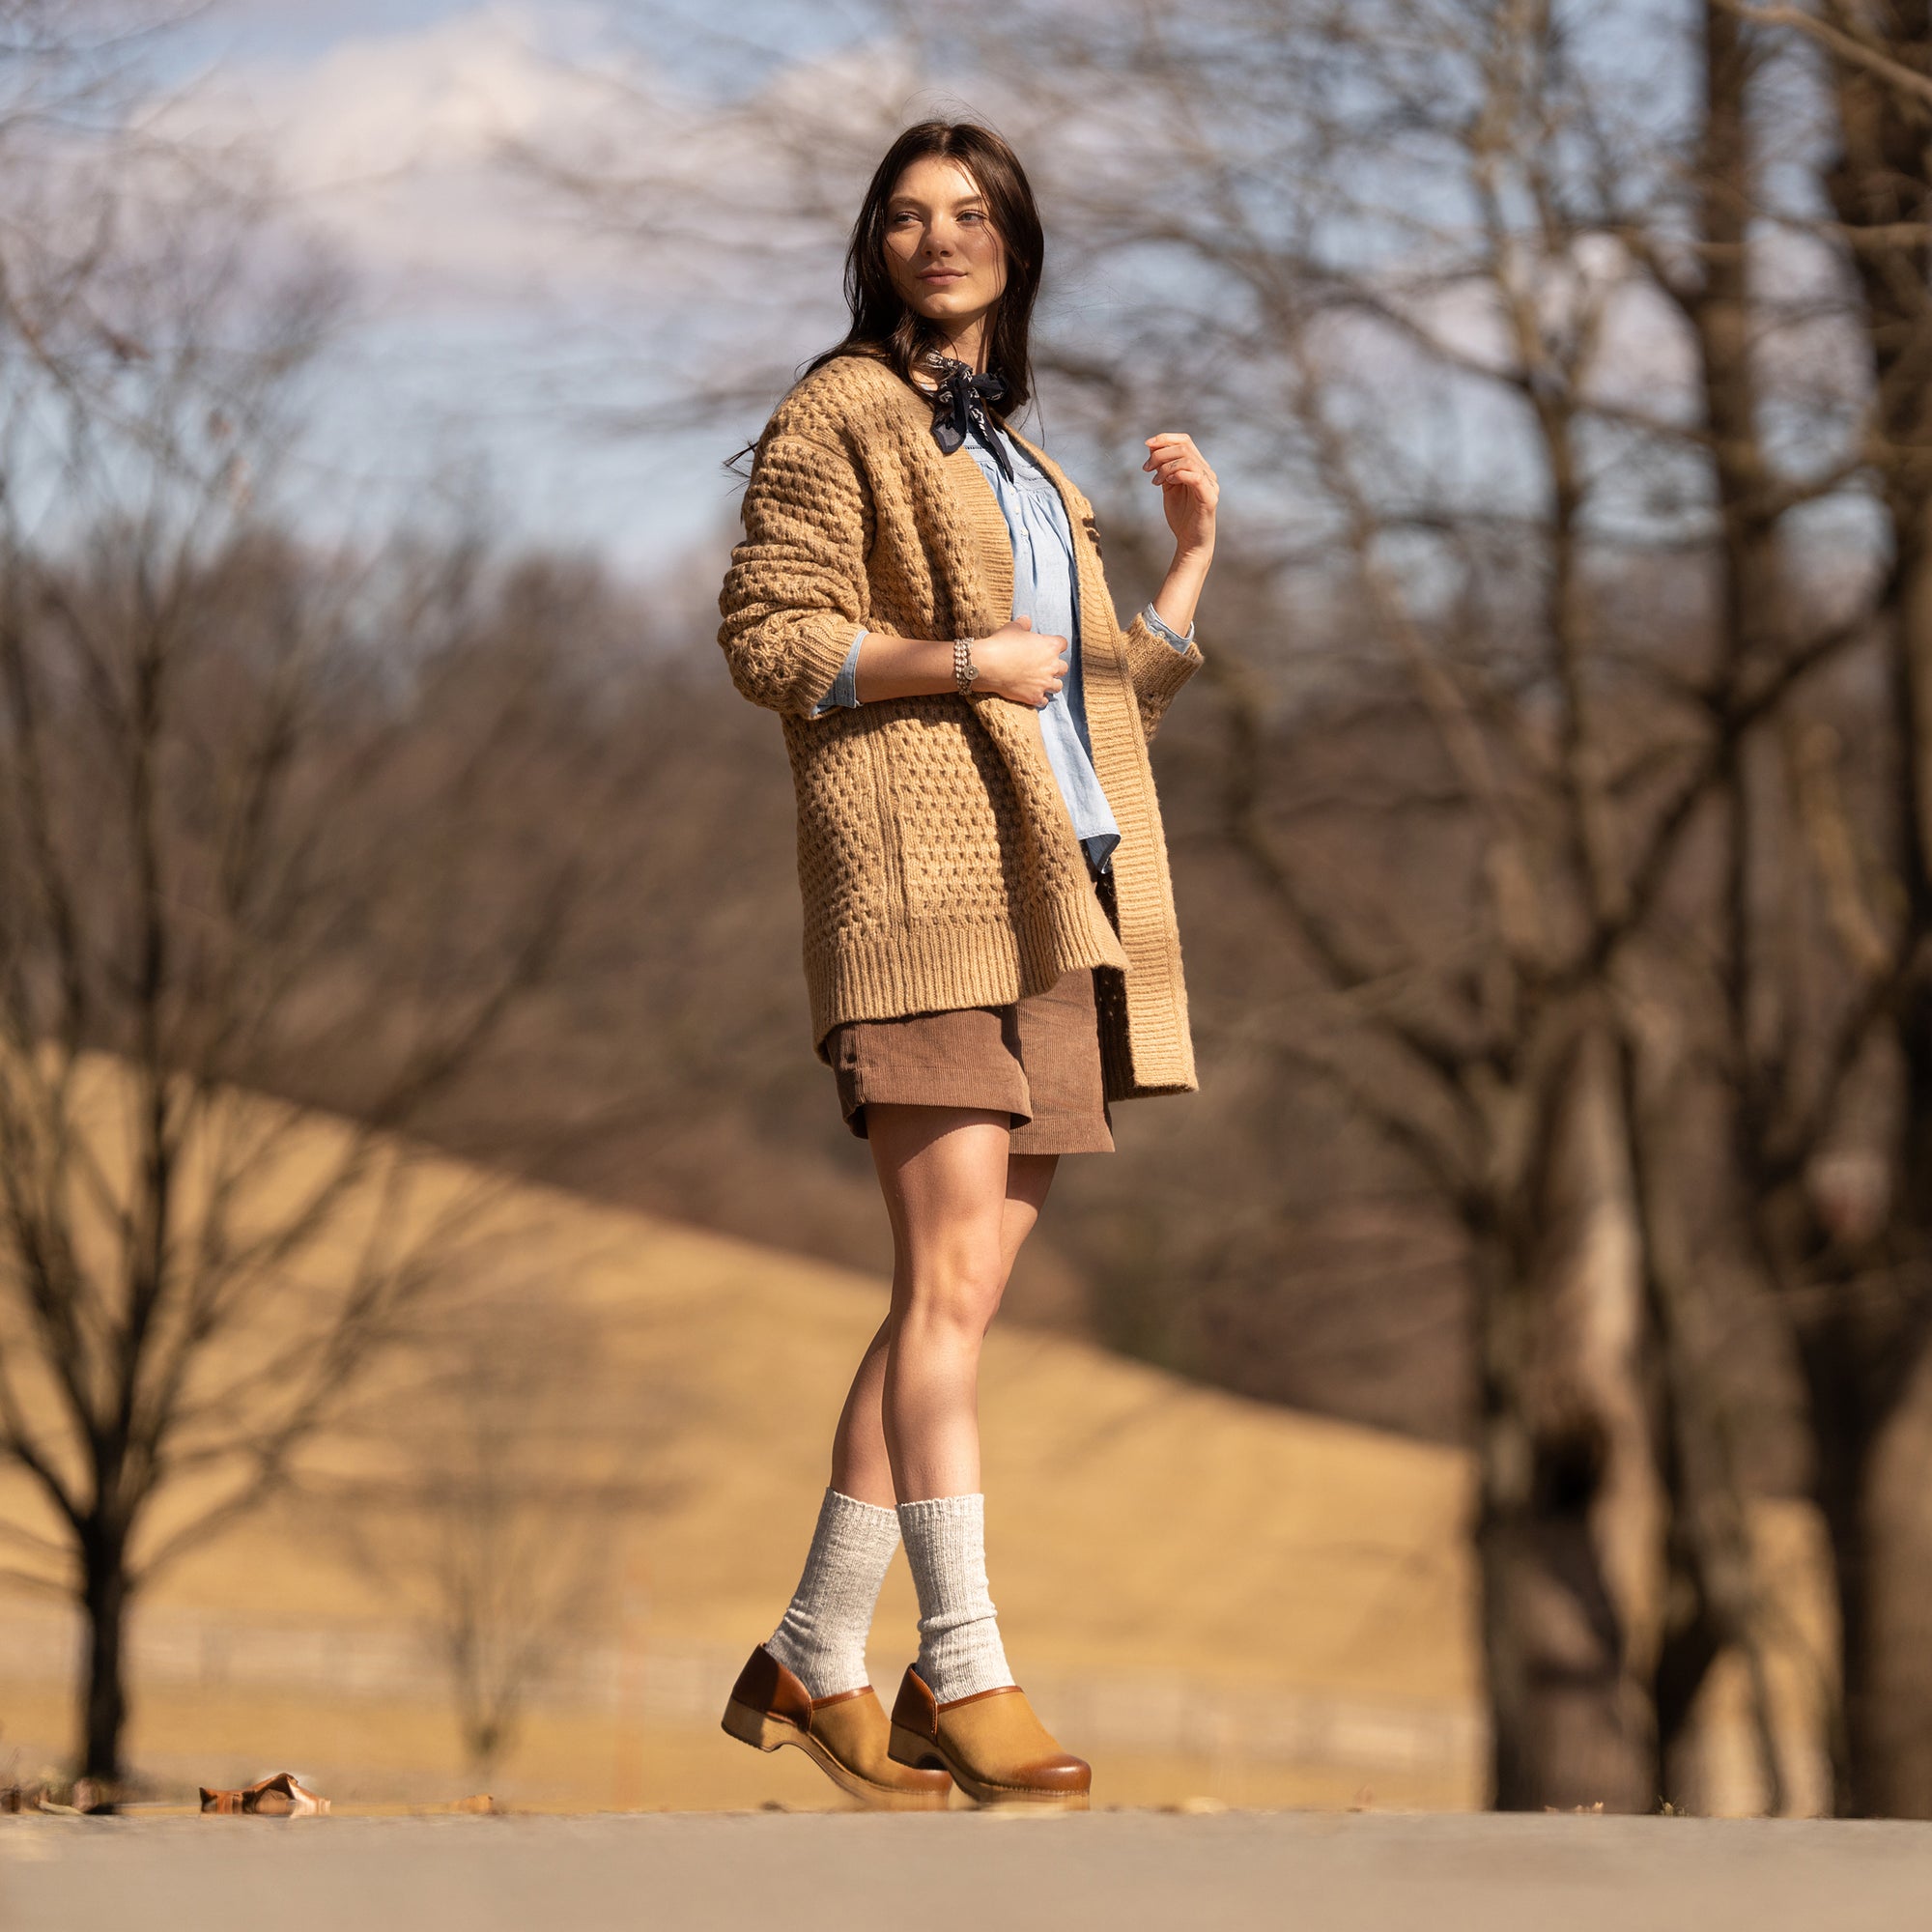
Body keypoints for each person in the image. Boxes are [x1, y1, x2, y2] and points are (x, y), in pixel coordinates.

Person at [714, 117, 1217, 1810]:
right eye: (912, 215)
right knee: (942, 1292)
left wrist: (1181, 586)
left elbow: (1067, 701)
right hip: (924, 896)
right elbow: (767, 637)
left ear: (1014, 242)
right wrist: (954, 654)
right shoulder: (839, 412)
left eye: (974, 212)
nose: (944, 236)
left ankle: (810, 1650)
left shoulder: (1019, 456)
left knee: (961, 1301)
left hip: (1059, 903)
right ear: (877, 246)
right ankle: (969, 1666)